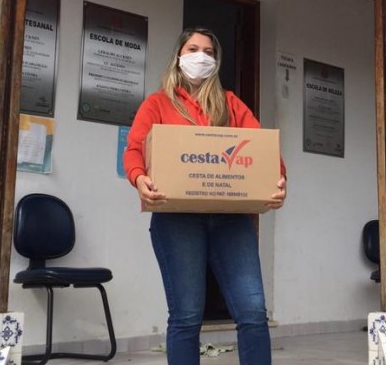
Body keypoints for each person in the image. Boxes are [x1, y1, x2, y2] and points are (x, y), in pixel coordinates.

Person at [123, 27, 287, 365]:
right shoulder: (157, 104)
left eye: (209, 52)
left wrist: (279, 180)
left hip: (231, 220)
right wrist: (139, 179)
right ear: (179, 56)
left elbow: (264, 152)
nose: (201, 56)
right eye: (194, 48)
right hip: (176, 220)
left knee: (253, 311)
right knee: (185, 316)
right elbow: (134, 150)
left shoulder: (230, 104)